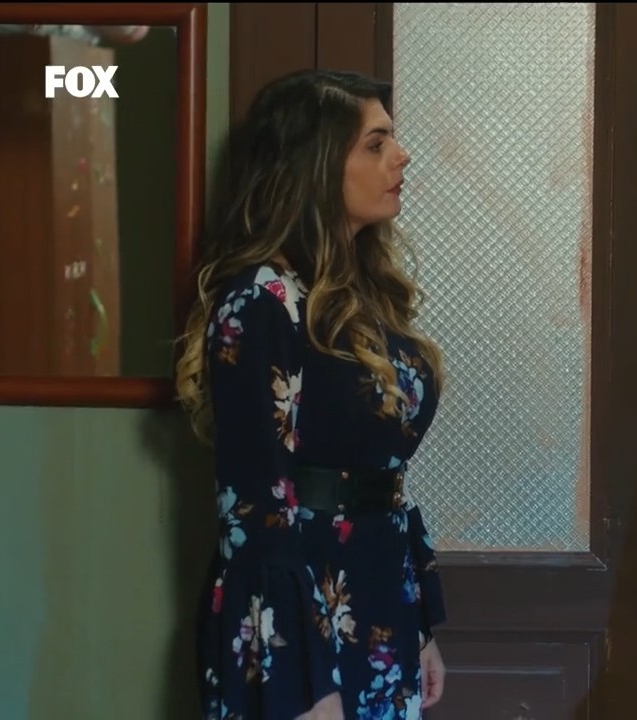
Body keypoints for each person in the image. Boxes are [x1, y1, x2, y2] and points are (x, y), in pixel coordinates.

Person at [174, 68, 448, 720]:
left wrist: (418, 626)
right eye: (376, 143)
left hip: (378, 602)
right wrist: (303, 682)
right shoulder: (263, 299)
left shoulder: (366, 294)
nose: (401, 156)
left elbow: (380, 479)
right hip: (298, 628)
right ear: (317, 166)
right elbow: (256, 510)